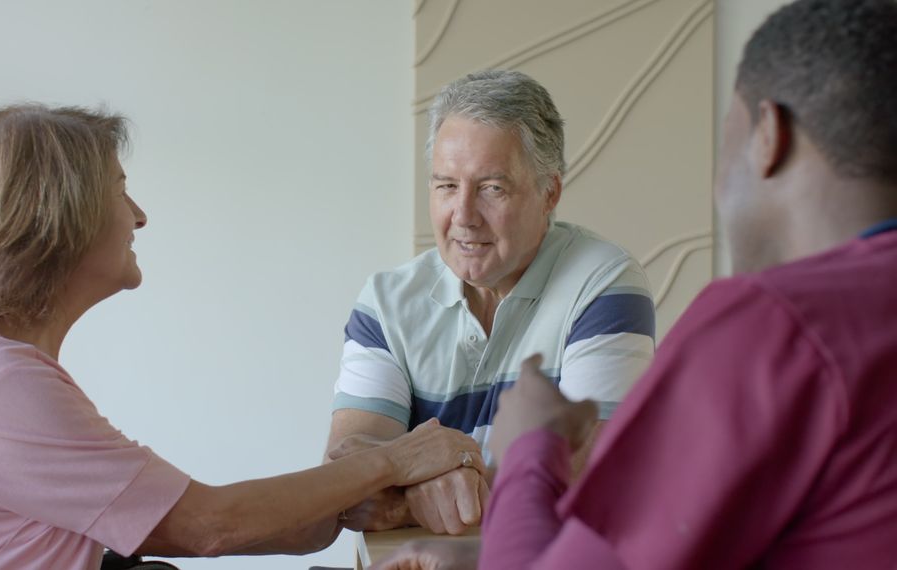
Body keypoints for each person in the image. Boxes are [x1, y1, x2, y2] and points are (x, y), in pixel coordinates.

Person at [0, 105, 484, 569]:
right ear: (60, 216)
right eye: (120, 191)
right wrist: (393, 460)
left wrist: (347, 506)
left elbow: (167, 525)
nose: (139, 216)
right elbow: (208, 527)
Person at [375, 0, 897, 568]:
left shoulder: (770, 326)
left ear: (769, 134)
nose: (464, 213)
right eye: (446, 185)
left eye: (728, 133)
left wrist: (530, 446)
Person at [323, 70, 655, 538]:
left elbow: (590, 475)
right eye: (446, 186)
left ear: (550, 192)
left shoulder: (603, 283)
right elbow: (342, 484)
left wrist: (406, 502)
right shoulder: (386, 303)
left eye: (491, 188)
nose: (463, 216)